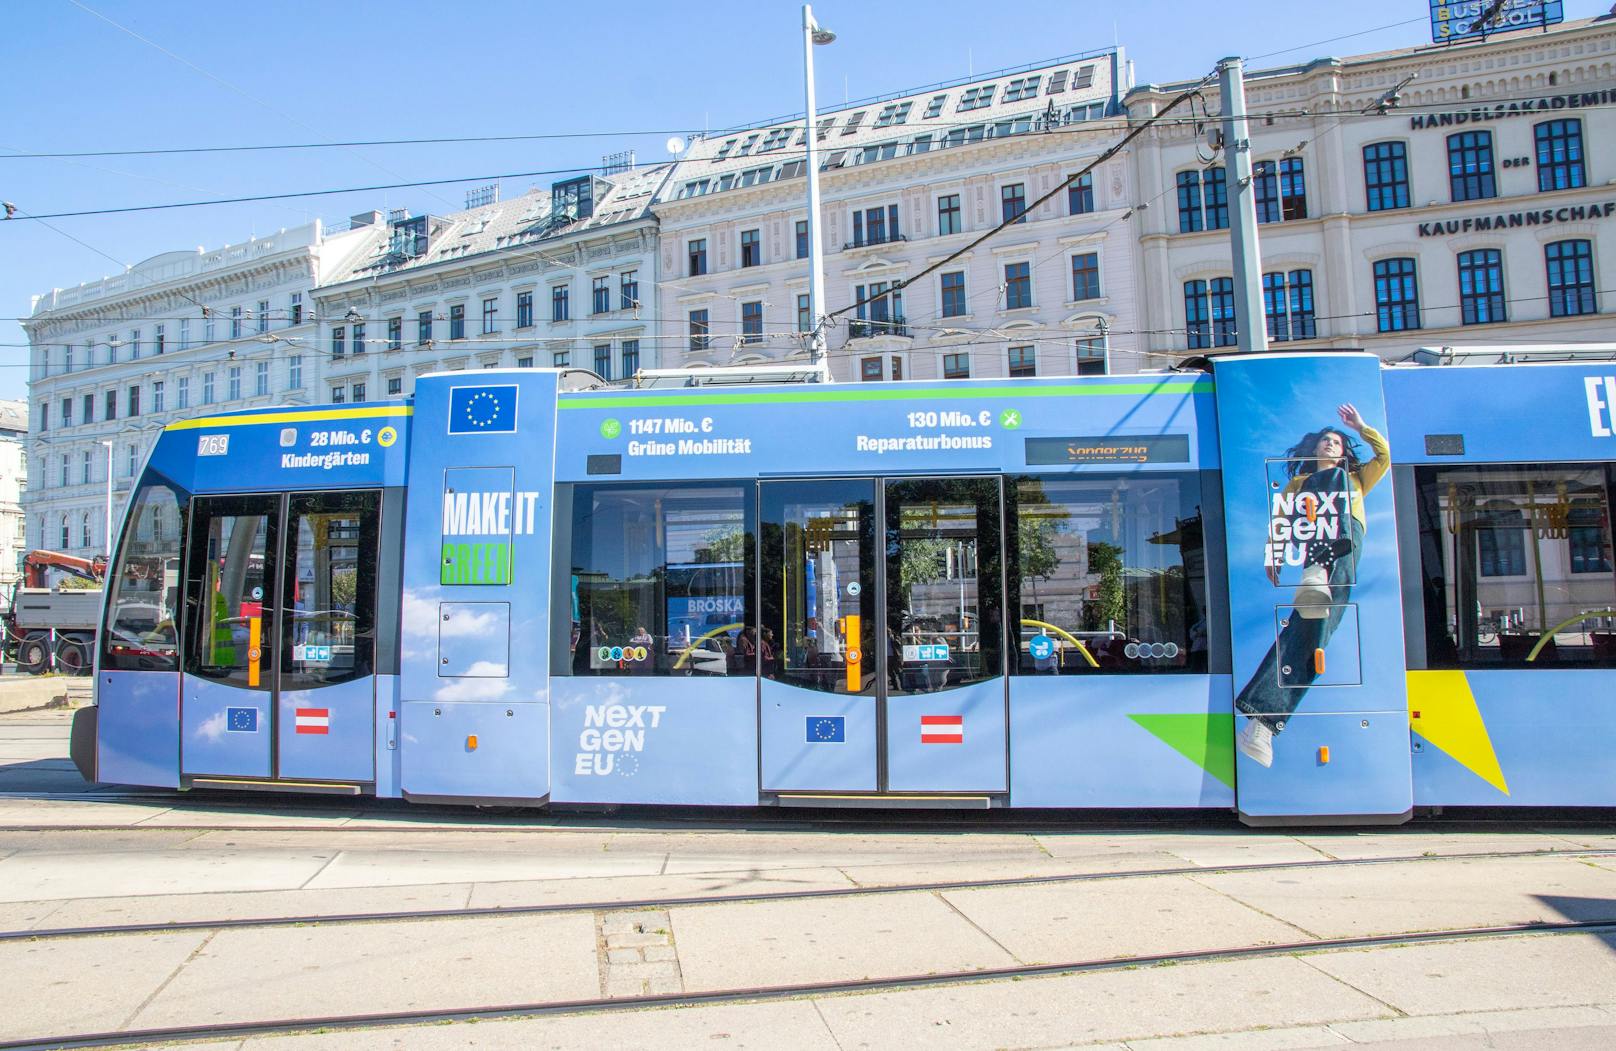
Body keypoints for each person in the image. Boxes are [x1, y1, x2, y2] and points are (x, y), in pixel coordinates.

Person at [1235, 403, 1389, 768]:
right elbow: (1282, 519)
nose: (1331, 444)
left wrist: (1361, 425)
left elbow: (1384, 455)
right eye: (1325, 441)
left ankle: (1262, 721)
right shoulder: (1299, 484)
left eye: (1337, 441)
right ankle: (1264, 720)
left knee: (1314, 625)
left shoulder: (1355, 479)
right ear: (1314, 449)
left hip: (1346, 542)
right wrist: (1273, 554)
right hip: (1317, 537)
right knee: (1311, 624)